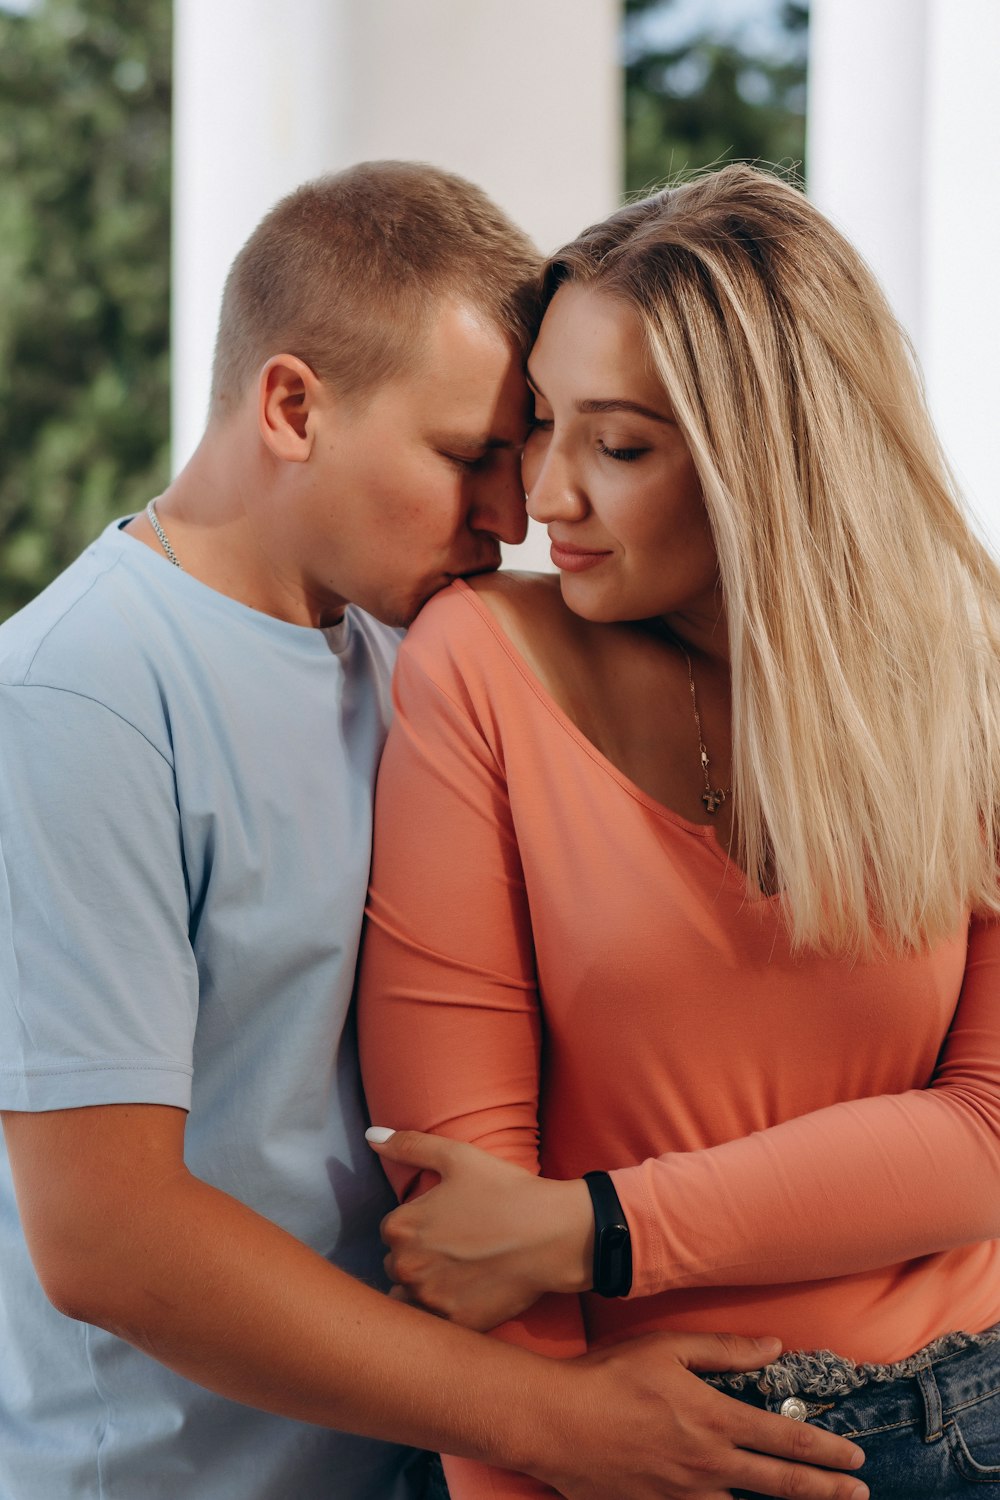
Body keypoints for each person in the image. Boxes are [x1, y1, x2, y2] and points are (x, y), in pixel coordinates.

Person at [0, 161, 867, 1500]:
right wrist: (556, 1418)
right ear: (292, 405)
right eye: (470, 457)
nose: (513, 516)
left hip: (412, 1467)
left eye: (519, 456)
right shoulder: (81, 695)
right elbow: (111, 1241)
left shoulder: (404, 652)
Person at [358, 164, 1000, 1500]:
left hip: (975, 1410)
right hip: (641, 1453)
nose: (545, 497)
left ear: (771, 457)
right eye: (541, 424)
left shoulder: (969, 683)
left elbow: (990, 1136)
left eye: (622, 445)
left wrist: (596, 1229)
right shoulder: (478, 664)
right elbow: (467, 1230)